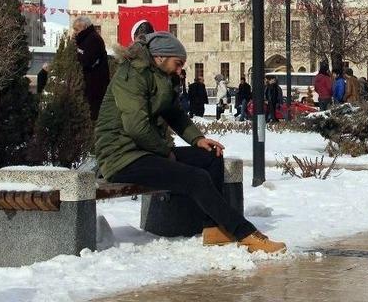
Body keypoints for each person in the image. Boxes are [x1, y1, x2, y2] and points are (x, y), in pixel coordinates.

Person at [93, 32, 285, 253]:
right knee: (196, 178)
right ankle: (244, 233)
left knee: (212, 156)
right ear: (159, 57)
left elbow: (174, 114)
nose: (179, 70)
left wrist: (198, 139)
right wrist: (166, 151)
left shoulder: (160, 77)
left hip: (145, 151)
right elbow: (136, 127)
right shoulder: (131, 76)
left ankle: (214, 228)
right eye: (178, 63)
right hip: (121, 157)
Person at [72, 16, 110, 120]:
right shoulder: (85, 39)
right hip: (89, 83)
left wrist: (77, 54)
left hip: (94, 85)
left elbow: (87, 61)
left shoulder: (93, 39)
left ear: (84, 27)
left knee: (93, 113)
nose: (75, 32)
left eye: (76, 29)